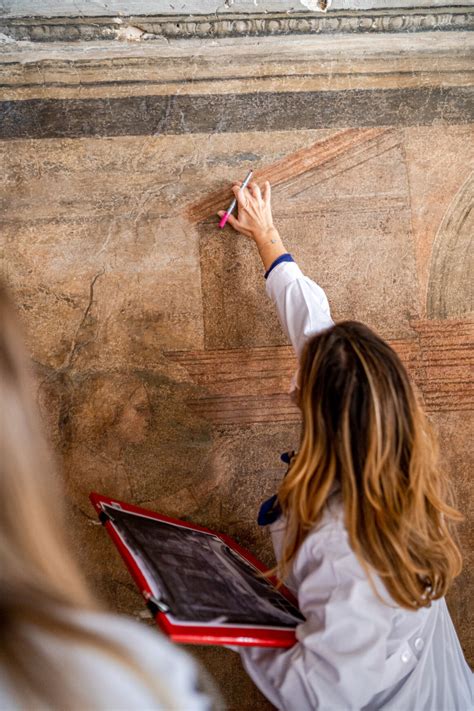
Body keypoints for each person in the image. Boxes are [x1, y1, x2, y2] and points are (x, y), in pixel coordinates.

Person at [218, 181, 473, 710]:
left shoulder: (344, 546)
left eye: (301, 377)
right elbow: (311, 323)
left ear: (323, 411)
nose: (292, 377)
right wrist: (266, 233)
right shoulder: (385, 450)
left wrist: (228, 618)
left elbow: (319, 696)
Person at [0, 281, 212, 710]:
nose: (147, 421)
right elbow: (129, 518)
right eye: (139, 409)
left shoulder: (113, 460)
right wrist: (204, 488)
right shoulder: (86, 463)